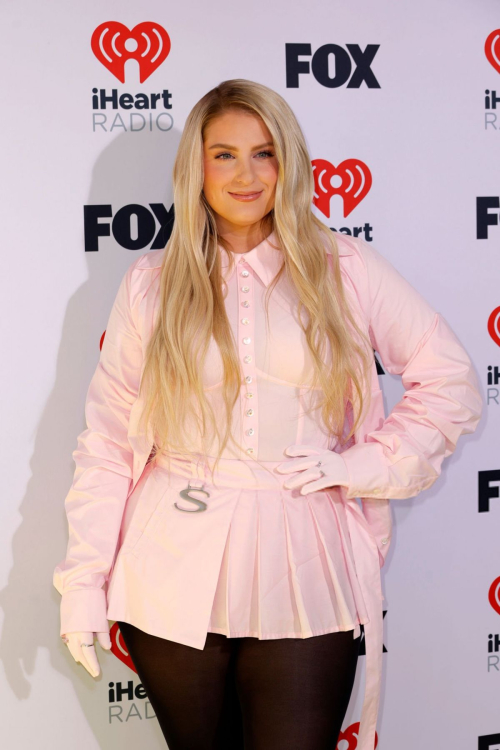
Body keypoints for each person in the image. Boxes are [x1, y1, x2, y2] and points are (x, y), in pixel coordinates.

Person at [53, 79, 483, 749]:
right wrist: (83, 584)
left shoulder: (345, 268)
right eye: (223, 154)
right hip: (172, 559)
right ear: (195, 168)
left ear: (290, 163)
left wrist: (363, 464)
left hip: (304, 553)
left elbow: (450, 380)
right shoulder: (151, 285)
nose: (246, 174)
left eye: (264, 153)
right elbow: (108, 443)